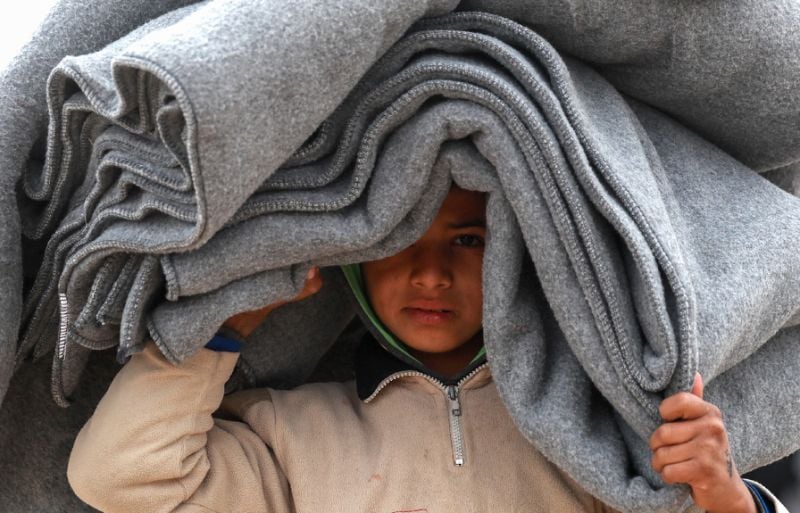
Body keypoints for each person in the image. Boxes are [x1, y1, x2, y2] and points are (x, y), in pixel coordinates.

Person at [67, 185, 786, 512]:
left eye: (467, 239)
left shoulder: (585, 426)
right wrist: (232, 324)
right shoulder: (285, 437)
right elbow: (118, 475)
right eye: (397, 242)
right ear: (351, 260)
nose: (431, 273)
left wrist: (725, 497)